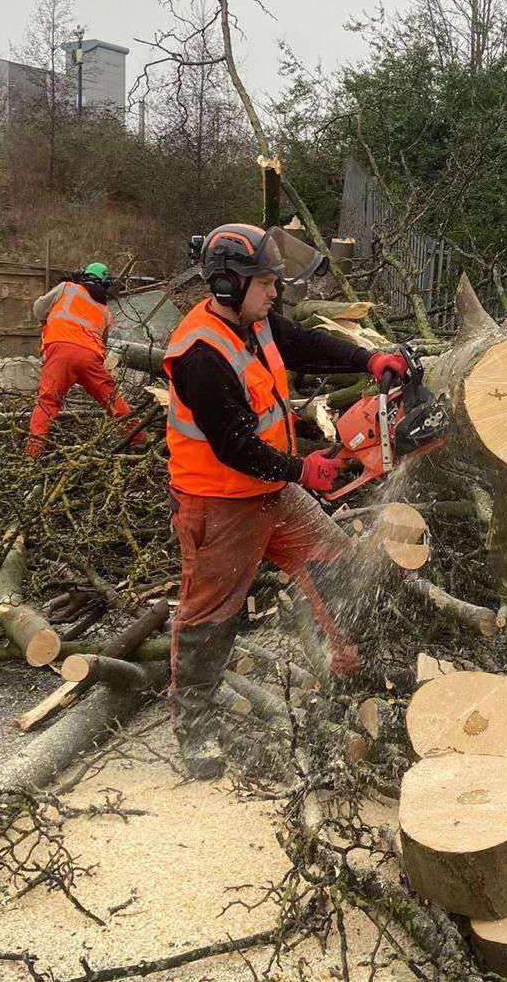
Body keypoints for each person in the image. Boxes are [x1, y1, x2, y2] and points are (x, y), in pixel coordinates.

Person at [163, 223, 411, 778]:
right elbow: (232, 447)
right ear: (228, 285)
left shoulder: (257, 322)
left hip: (274, 490)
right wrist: (303, 469)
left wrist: (366, 361)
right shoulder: (200, 353)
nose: (275, 291)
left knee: (337, 561)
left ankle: (349, 670)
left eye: (276, 279)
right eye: (265, 281)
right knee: (210, 616)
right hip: (220, 503)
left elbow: (303, 343)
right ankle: (194, 729)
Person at [27, 262, 147, 456]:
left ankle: (33, 453)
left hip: (60, 351)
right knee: (112, 400)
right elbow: (103, 342)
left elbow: (38, 309)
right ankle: (139, 440)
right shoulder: (106, 313)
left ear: (82, 275)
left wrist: (49, 319)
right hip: (90, 357)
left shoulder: (67, 288)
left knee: (47, 402)